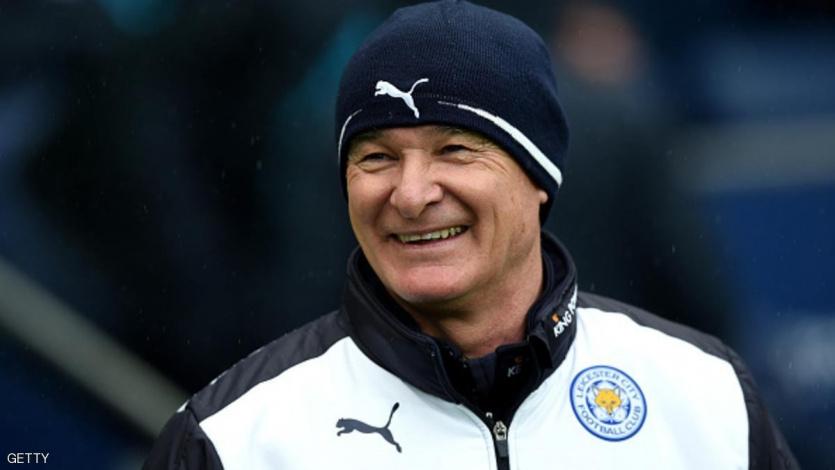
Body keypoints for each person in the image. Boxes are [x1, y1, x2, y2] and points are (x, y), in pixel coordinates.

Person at [144, 1, 798, 468]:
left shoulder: (707, 396)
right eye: (376, 157)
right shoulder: (232, 438)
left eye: (455, 150)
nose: (411, 194)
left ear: (539, 175)